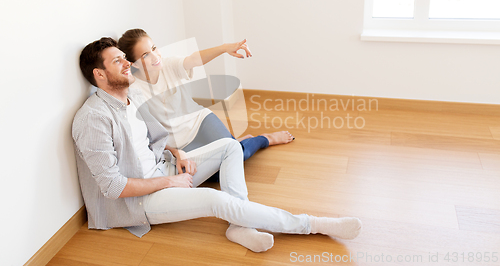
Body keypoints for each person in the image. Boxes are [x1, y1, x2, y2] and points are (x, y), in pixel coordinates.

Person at [72, 37, 362, 252]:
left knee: (230, 146)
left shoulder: (129, 98)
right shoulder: (93, 118)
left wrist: (177, 152)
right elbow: (112, 188)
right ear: (99, 75)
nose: (127, 65)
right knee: (216, 200)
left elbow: (152, 139)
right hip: (140, 201)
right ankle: (312, 224)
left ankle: (240, 225)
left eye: (125, 57)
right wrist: (169, 182)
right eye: (118, 61)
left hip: (165, 169)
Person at [117, 29, 294, 163]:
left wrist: (225, 48)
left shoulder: (169, 65)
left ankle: (264, 139)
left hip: (201, 121)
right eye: (146, 55)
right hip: (180, 143)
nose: (156, 56)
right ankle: (237, 141)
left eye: (154, 48)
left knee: (236, 155)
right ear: (135, 64)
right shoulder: (134, 90)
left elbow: (194, 59)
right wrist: (174, 153)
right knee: (218, 171)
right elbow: (149, 133)